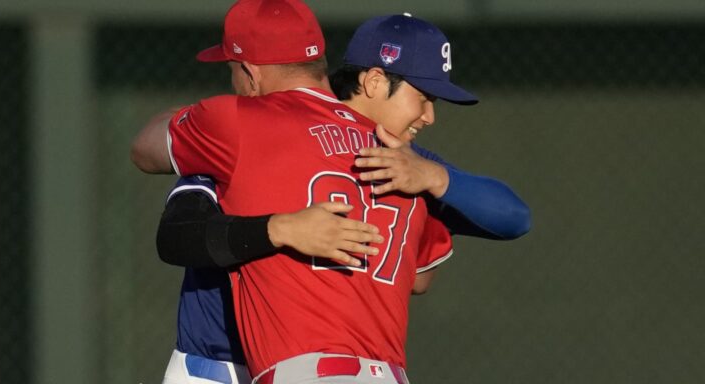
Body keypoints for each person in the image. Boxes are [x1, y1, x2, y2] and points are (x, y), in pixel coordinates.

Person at [131, 3, 530, 384]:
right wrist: (281, 229)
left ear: (250, 72)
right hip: (227, 359)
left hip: (290, 365)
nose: (430, 116)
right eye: (423, 96)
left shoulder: (413, 168)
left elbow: (498, 227)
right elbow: (177, 237)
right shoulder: (405, 165)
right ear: (372, 80)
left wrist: (434, 179)